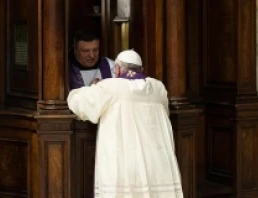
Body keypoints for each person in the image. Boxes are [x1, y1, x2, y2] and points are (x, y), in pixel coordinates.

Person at [67, 49, 184, 198]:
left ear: (117, 69)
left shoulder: (110, 87)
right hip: (155, 159)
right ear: (142, 69)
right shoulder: (158, 88)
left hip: (124, 159)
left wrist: (90, 88)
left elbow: (81, 104)